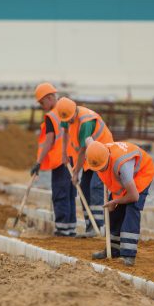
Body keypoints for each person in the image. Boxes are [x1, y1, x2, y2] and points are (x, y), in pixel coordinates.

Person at [86, 140, 154, 266]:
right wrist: (115, 202)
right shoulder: (98, 152)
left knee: (131, 210)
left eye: (102, 167)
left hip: (141, 173)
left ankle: (128, 255)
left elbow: (133, 196)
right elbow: (90, 142)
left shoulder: (123, 165)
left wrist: (115, 201)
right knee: (116, 212)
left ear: (108, 158)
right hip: (122, 176)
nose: (101, 170)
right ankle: (112, 250)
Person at [55, 97, 113, 236]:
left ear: (75, 109)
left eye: (70, 118)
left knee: (96, 187)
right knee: (84, 189)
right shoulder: (66, 115)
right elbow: (65, 133)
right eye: (66, 120)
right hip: (90, 156)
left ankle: (100, 226)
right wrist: (64, 153)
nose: (69, 121)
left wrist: (75, 173)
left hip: (103, 154)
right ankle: (90, 227)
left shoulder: (86, 122)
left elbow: (82, 151)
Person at [30, 82, 77, 236]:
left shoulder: (51, 116)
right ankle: (70, 227)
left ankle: (63, 228)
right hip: (72, 158)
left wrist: (38, 162)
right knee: (70, 193)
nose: (42, 106)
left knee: (60, 193)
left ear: (50, 98)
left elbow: (49, 141)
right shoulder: (67, 110)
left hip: (60, 160)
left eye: (42, 102)